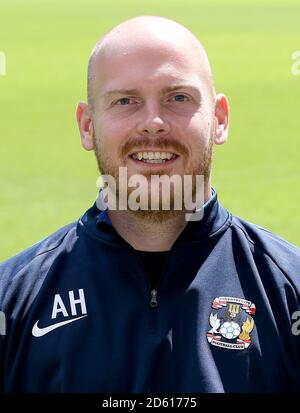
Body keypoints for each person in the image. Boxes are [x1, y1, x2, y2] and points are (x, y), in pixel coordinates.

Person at [0, 15, 300, 394]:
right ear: (87, 125)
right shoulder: (12, 303)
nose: (154, 123)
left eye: (178, 98)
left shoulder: (290, 293)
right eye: (126, 100)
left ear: (219, 119)